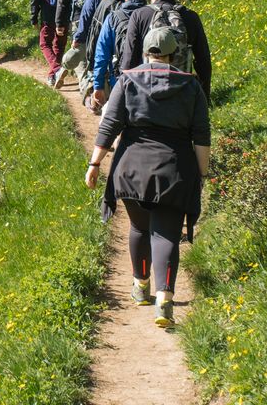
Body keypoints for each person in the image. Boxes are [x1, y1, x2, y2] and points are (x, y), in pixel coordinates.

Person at [85, 27, 211, 328]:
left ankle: (141, 287)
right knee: (166, 234)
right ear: (174, 53)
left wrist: (95, 163)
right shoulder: (190, 85)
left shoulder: (127, 80)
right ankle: (164, 301)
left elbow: (110, 125)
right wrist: (202, 174)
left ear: (145, 52)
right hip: (174, 170)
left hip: (131, 169)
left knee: (139, 227)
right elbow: (201, 136)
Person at [119, 0, 213, 100]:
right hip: (182, 94)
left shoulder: (139, 15)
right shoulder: (190, 16)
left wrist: (125, 97)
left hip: (148, 95)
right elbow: (203, 61)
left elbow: (129, 60)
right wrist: (204, 99)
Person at [91, 0, 148, 114]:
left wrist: (98, 86)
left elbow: (102, 55)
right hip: (148, 81)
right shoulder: (153, 16)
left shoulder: (113, 18)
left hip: (119, 81)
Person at [54, 0, 98, 88]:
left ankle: (84, 86)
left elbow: (62, 1)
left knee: (78, 48)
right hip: (97, 18)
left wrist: (59, 23)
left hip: (77, 17)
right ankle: (65, 73)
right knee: (86, 50)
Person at [83, 0, 127, 105]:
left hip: (106, 62)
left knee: (105, 103)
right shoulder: (136, 7)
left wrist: (91, 62)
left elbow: (95, 35)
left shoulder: (105, 3)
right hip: (126, 65)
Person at [73, 0, 112, 101]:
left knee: (96, 68)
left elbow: (85, 17)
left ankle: (92, 98)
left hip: (96, 39)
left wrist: (78, 38)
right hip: (116, 39)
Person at [30, 0, 65, 86]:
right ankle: (53, 76)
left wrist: (33, 17)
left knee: (44, 43)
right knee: (59, 44)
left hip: (48, 15)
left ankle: (57, 69)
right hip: (64, 15)